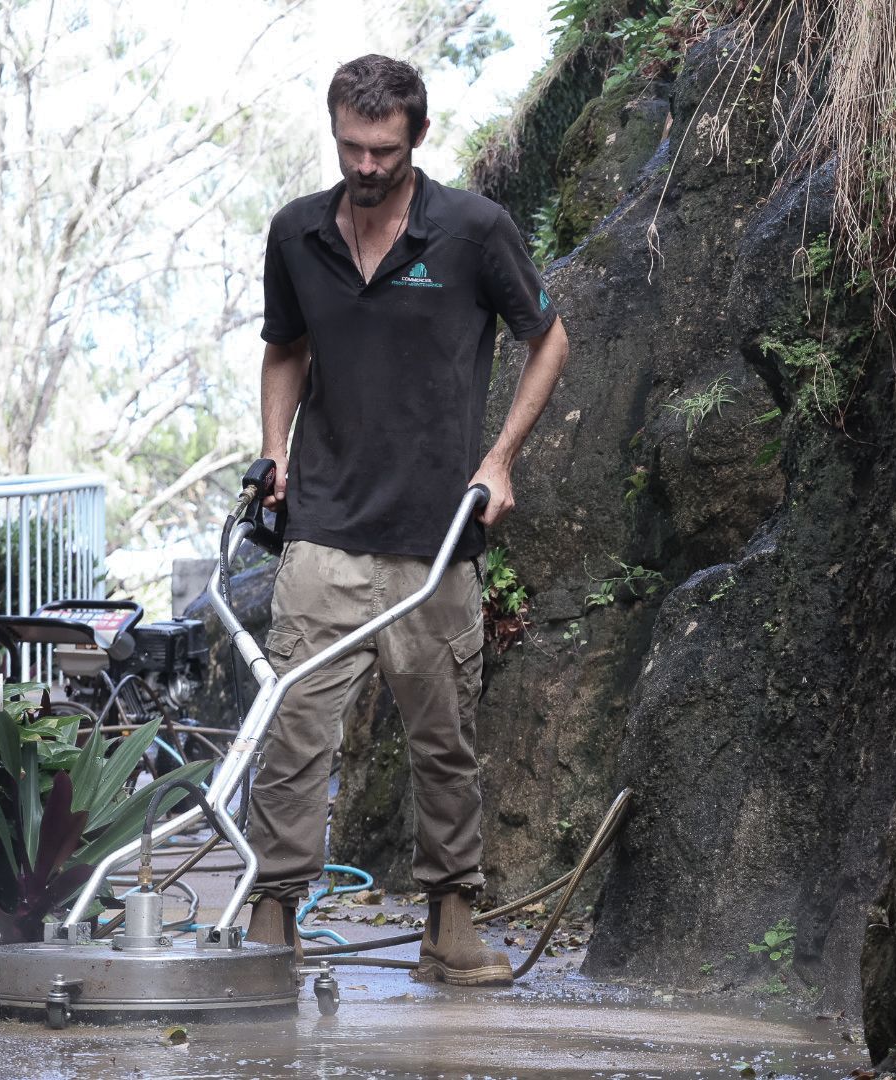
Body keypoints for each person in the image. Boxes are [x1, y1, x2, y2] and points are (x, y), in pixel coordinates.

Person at [245, 54, 568, 987]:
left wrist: (499, 459)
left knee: (443, 740)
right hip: (323, 531)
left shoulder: (472, 230)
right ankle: (274, 919)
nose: (365, 165)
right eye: (350, 145)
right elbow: (284, 348)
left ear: (417, 138)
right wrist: (274, 451)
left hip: (435, 540)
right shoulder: (297, 232)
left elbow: (547, 336)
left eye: (383, 149)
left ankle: (450, 924)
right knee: (297, 733)